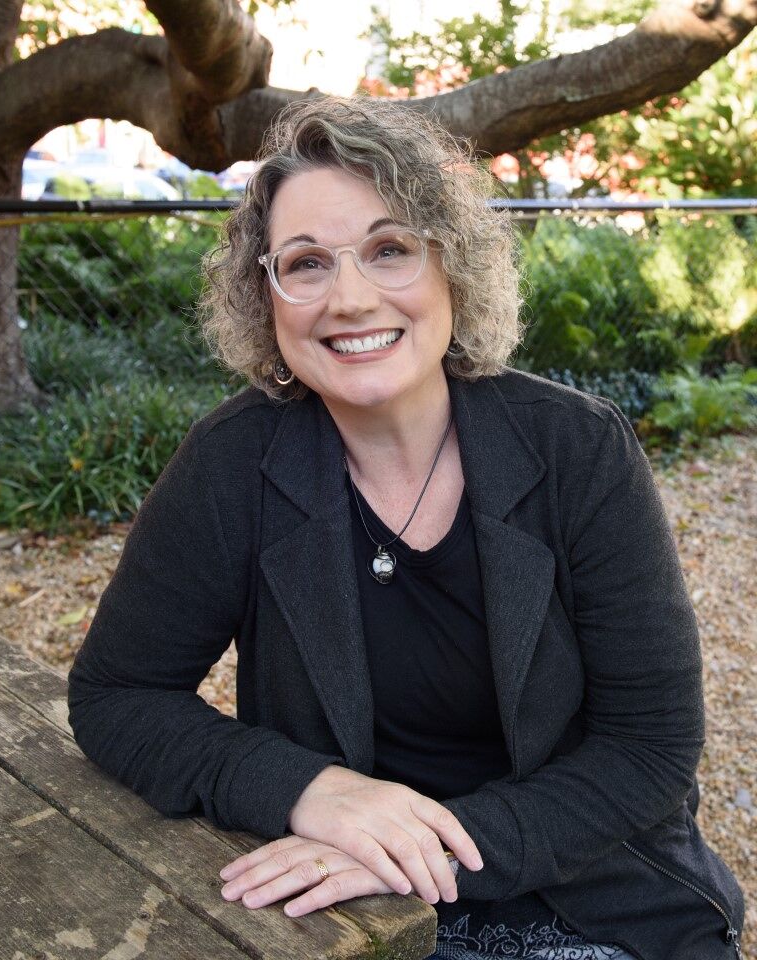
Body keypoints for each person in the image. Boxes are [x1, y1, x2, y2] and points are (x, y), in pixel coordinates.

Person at [67, 96, 744, 960]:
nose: (349, 298)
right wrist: (307, 788)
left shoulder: (579, 450)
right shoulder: (233, 464)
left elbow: (650, 748)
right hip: (346, 913)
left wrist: (432, 850)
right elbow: (117, 695)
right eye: (306, 264)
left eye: (390, 250)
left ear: (451, 267)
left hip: (592, 901)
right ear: (265, 296)